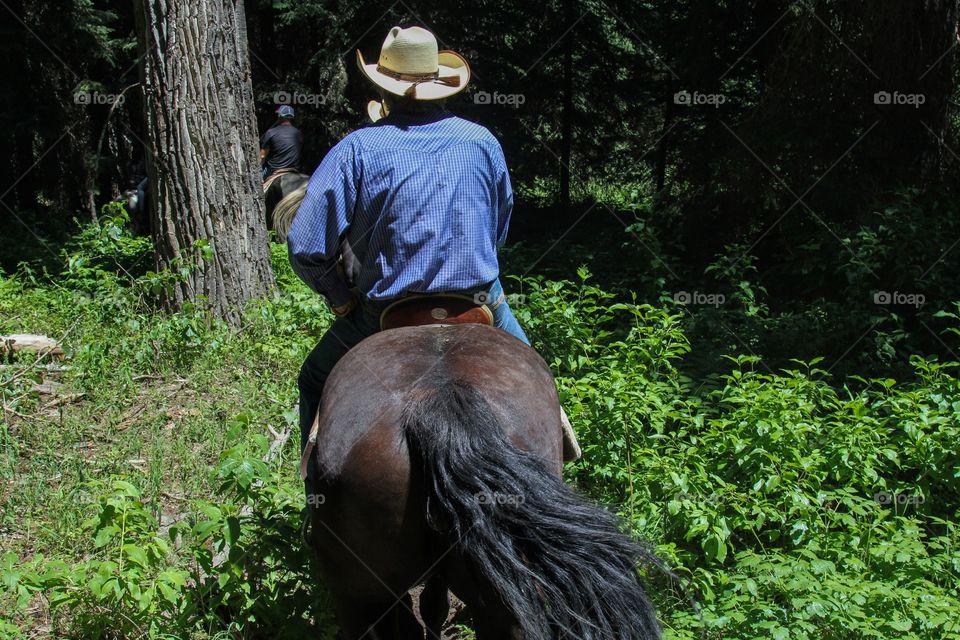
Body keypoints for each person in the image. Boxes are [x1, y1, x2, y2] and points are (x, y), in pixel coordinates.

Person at [288, 26, 579, 490]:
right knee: (538, 380)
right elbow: (499, 227)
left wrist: (340, 296)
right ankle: (560, 468)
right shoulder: (482, 141)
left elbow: (306, 245)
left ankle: (316, 494)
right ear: (441, 84)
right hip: (479, 305)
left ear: (384, 86)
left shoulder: (358, 149)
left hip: (385, 315)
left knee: (315, 376)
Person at [260, 105, 303, 181]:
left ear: (279, 116)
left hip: (275, 170)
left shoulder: (271, 132)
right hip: (295, 170)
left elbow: (262, 156)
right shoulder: (298, 133)